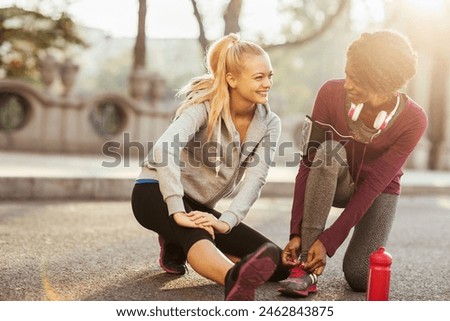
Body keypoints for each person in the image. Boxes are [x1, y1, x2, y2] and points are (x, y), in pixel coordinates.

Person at [131, 33, 289, 301]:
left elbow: (256, 177)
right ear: (232, 79)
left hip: (199, 205)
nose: (267, 84)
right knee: (196, 234)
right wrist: (177, 209)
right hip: (155, 191)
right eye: (259, 77)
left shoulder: (269, 122)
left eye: (269, 76)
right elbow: (163, 148)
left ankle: (177, 243)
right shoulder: (204, 107)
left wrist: (225, 221)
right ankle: (234, 281)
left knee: (279, 266)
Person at [278, 30, 428, 297]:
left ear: (383, 85)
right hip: (337, 179)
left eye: (357, 80)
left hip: (378, 191)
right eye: (347, 74)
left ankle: (331, 256)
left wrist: (329, 241)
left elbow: (373, 186)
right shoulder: (330, 93)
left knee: (360, 276)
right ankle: (305, 269)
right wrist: (297, 234)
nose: (347, 84)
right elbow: (307, 163)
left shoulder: (414, 120)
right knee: (327, 153)